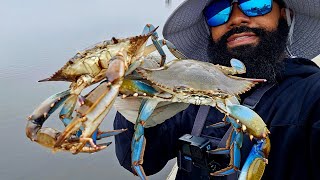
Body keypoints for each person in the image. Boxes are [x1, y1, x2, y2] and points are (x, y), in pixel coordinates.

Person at [114, 0, 320, 179]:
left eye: (256, 4)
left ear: (284, 15)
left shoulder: (312, 94)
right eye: (218, 11)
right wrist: (131, 114)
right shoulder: (186, 94)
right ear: (209, 30)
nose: (237, 19)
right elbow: (146, 160)